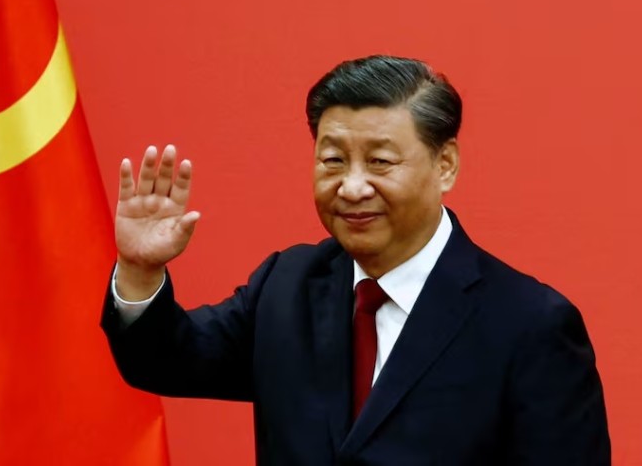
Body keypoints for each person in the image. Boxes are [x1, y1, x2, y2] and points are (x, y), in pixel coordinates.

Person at [101, 55, 611, 465]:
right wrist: (142, 270)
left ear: (446, 165)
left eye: (380, 162)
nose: (352, 186)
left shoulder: (529, 324)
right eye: (333, 160)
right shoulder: (288, 285)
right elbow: (167, 361)